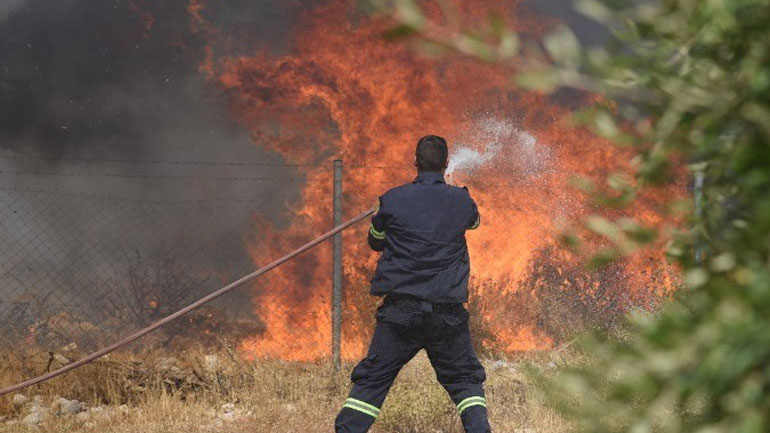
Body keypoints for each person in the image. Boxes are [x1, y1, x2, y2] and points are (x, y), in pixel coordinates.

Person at [335, 135, 490, 433]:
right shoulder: (461, 200)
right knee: (465, 380)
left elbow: (375, 242)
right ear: (446, 164)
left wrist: (382, 217)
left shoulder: (392, 200)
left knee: (373, 380)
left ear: (415, 163)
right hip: (446, 315)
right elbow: (473, 223)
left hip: (400, 314)